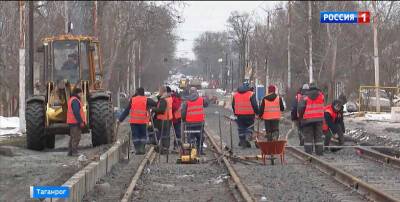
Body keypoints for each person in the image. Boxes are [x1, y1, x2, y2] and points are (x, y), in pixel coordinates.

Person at [117, 87, 157, 155]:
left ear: (137, 92)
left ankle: (137, 149)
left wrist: (120, 119)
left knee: (136, 136)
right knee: (143, 136)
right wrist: (150, 107)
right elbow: (155, 104)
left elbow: (127, 111)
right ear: (143, 92)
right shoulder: (146, 99)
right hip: (143, 122)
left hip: (134, 122)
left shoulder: (133, 99)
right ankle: (142, 149)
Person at [298, 82, 325, 155]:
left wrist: (301, 117)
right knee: (319, 136)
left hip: (308, 119)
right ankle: (319, 152)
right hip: (319, 119)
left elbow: (300, 108)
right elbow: (322, 105)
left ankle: (308, 153)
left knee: (308, 137)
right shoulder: (321, 96)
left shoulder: (305, 97)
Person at [232, 82, 259, 148]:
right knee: (249, 128)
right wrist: (257, 113)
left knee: (241, 128)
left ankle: (242, 141)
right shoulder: (251, 94)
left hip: (239, 115)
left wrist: (235, 112)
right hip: (249, 115)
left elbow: (233, 105)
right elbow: (255, 105)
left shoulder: (235, 95)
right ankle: (247, 140)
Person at [182, 87, 206, 154]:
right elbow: (206, 104)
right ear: (196, 92)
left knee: (190, 138)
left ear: (190, 92)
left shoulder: (186, 101)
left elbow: (183, 112)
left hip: (189, 124)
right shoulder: (201, 99)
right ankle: (200, 151)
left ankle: (192, 152)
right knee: (200, 137)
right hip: (200, 123)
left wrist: (184, 120)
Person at [151, 86, 173, 154]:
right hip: (168, 119)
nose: (159, 92)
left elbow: (161, 110)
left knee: (161, 135)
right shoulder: (168, 98)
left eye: (159, 91)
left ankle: (162, 149)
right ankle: (165, 149)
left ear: (162, 92)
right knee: (165, 135)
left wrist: (153, 109)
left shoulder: (163, 100)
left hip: (162, 120)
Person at [66, 87, 86, 156]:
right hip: (75, 122)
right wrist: (80, 121)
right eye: (81, 93)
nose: (82, 95)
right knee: (76, 137)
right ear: (78, 93)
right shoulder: (75, 100)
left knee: (72, 137)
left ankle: (70, 152)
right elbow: (76, 112)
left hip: (72, 122)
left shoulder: (72, 99)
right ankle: (74, 152)